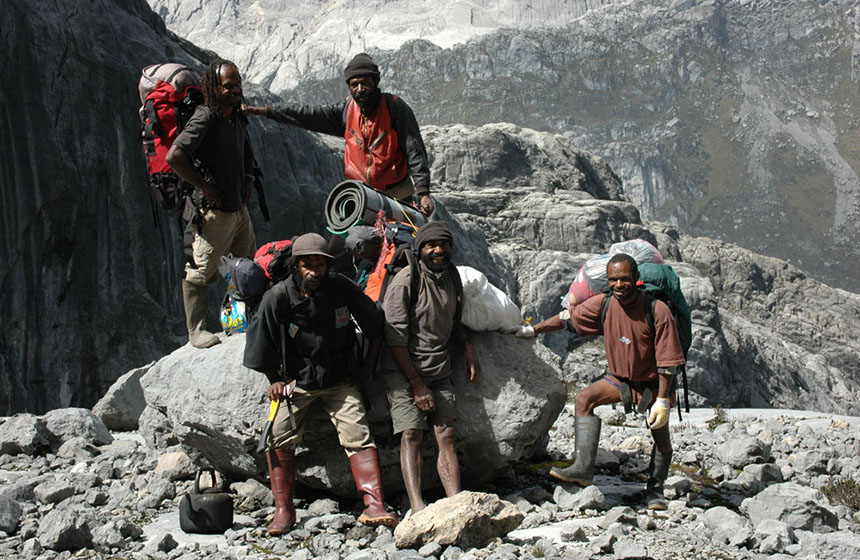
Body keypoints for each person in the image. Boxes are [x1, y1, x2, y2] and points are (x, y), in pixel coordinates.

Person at [243, 233, 398, 534]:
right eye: (307, 265)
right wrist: (274, 380)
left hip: (340, 378)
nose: (315, 271)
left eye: (320, 264)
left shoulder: (340, 288)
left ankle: (375, 504)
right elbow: (260, 343)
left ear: (328, 265)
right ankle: (284, 510)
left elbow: (375, 324)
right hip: (295, 382)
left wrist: (366, 369)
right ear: (295, 266)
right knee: (277, 435)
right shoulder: (278, 297)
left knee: (358, 433)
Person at [507, 253, 684, 510]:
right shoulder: (604, 304)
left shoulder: (657, 310)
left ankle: (655, 490)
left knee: (661, 436)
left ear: (636, 279)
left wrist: (662, 400)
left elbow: (669, 361)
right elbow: (568, 318)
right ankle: (582, 468)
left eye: (624, 279)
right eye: (613, 280)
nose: (619, 285)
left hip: (653, 386)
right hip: (619, 380)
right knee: (584, 399)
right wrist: (534, 329)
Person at [243, 53, 435, 216]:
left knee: (402, 246)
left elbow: (414, 149)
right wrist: (262, 111)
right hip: (362, 196)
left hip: (398, 195)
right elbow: (303, 113)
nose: (360, 89)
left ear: (375, 82)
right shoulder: (345, 111)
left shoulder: (394, 107)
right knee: (350, 247)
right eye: (354, 85)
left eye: (365, 83)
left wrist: (423, 191)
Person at [380, 221, 480, 514]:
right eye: (430, 245)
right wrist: (416, 383)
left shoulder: (452, 277)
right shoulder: (405, 281)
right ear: (420, 249)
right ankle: (417, 505)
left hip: (439, 368)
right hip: (404, 370)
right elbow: (394, 338)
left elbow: (455, 319)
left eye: (443, 245)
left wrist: (466, 345)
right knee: (412, 433)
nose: (438, 250)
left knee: (445, 432)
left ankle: (455, 501)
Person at [166, 59, 257, 348]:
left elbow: (244, 150)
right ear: (214, 88)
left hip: (238, 210)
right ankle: (197, 331)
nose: (236, 89)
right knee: (200, 272)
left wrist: (249, 177)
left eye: (238, 83)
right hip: (212, 212)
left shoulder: (235, 116)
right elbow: (175, 156)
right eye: (229, 85)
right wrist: (204, 186)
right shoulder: (205, 117)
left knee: (242, 268)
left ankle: (234, 324)